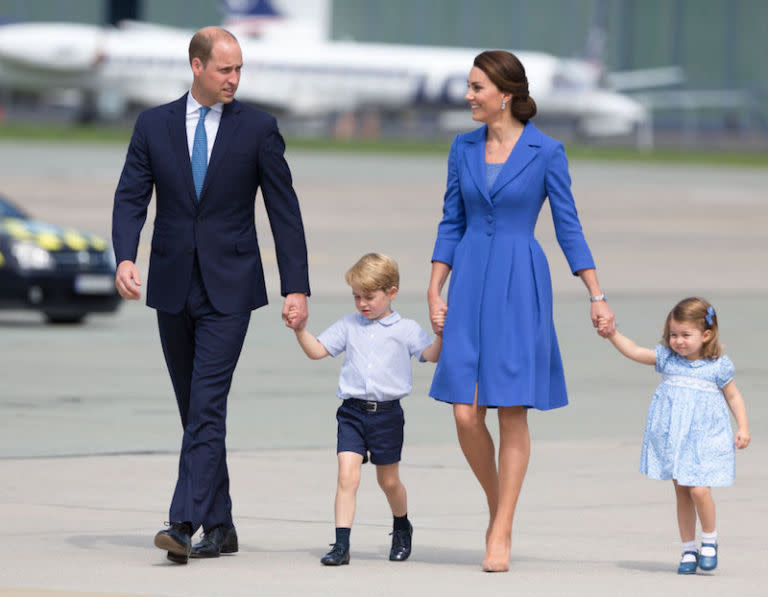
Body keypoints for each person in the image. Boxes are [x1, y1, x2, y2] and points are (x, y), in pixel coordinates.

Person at [111, 26, 310, 564]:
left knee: (206, 404)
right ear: (197, 66)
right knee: (192, 409)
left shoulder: (258, 128)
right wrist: (125, 255)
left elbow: (284, 212)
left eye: (240, 69)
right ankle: (220, 524)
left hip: (232, 288)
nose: (235, 78)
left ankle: (182, 521)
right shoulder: (153, 125)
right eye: (226, 69)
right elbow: (131, 195)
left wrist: (296, 286)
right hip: (173, 285)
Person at [426, 50, 615, 572]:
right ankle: (499, 507)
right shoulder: (461, 148)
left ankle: (501, 529)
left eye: (477, 87)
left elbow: (568, 226)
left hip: (519, 281)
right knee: (465, 412)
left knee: (510, 410)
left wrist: (595, 294)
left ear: (504, 94)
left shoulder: (546, 151)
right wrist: (435, 285)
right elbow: (451, 220)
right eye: (469, 86)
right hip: (468, 281)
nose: (468, 96)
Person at [287, 253, 442, 566]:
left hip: (387, 416)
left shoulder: (406, 329)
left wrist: (442, 334)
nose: (362, 304)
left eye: (369, 297)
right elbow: (318, 351)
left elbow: (431, 354)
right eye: (357, 296)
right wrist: (300, 330)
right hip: (352, 413)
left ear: (392, 293)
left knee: (389, 482)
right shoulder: (349, 325)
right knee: (347, 477)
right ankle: (341, 545)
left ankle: (402, 525)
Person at [598, 297, 750, 575]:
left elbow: (734, 396)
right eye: (673, 335)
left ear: (706, 335)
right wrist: (612, 334)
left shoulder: (717, 366)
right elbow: (634, 351)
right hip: (674, 437)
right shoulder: (667, 359)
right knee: (681, 491)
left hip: (705, 437)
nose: (678, 341)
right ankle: (688, 549)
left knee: (699, 489)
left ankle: (709, 539)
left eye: (685, 335)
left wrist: (743, 427)